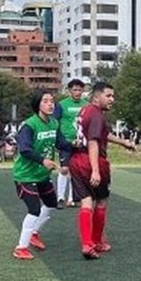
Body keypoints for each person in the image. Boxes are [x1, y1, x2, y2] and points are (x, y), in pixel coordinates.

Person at [70, 81, 136, 259]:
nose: (112, 99)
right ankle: (96, 241)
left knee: (85, 201)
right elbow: (93, 142)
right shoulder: (97, 115)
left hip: (76, 160)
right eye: (108, 96)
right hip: (91, 160)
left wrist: (124, 143)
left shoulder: (85, 110)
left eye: (113, 96)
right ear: (97, 97)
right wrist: (96, 170)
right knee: (101, 201)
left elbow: (103, 134)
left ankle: (87, 244)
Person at [12, 91, 76, 260]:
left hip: (41, 175)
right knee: (33, 210)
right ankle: (20, 248)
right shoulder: (29, 125)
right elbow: (25, 149)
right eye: (46, 101)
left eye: (52, 101)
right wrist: (43, 161)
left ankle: (34, 233)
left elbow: (61, 143)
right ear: (37, 105)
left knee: (51, 204)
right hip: (25, 176)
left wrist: (75, 145)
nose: (50, 104)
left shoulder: (54, 123)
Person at [53, 79, 88, 208]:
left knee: (77, 170)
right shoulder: (61, 105)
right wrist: (60, 141)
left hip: (81, 143)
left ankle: (73, 198)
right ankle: (60, 198)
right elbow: (55, 122)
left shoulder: (87, 105)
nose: (77, 92)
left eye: (80, 90)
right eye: (75, 90)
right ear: (69, 91)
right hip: (66, 143)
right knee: (64, 169)